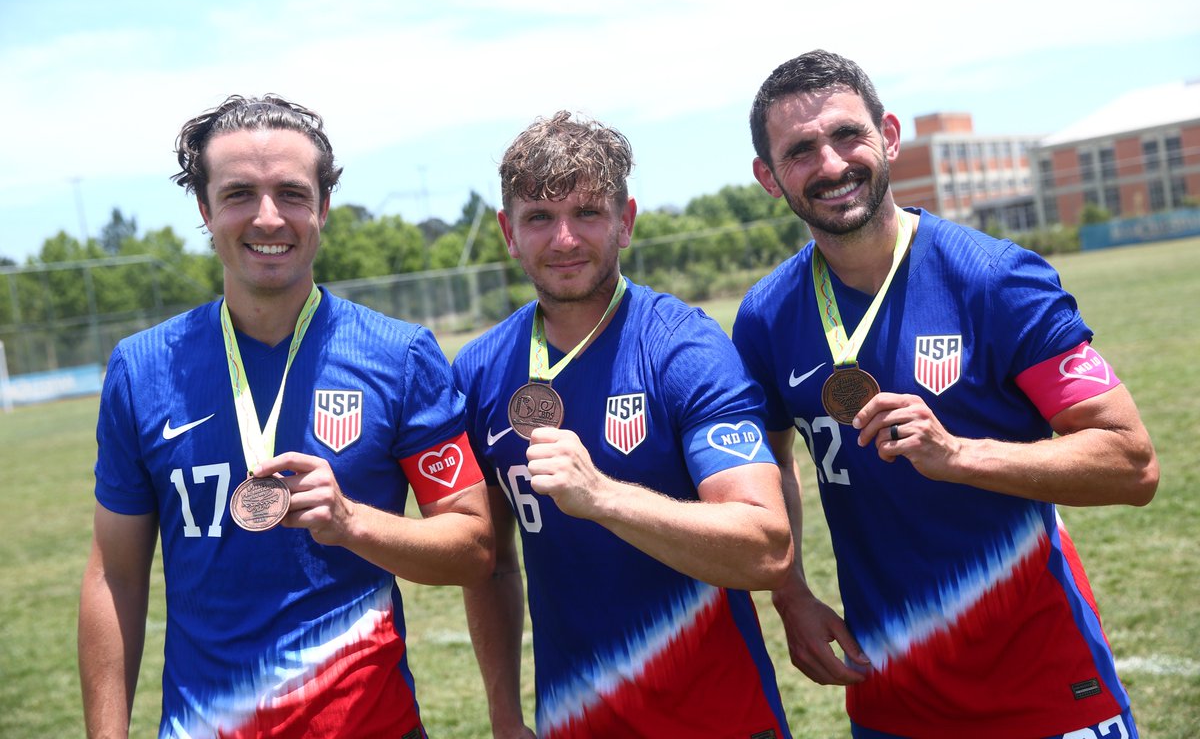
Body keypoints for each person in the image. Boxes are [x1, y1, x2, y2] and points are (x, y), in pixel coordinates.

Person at [733, 49, 1160, 739]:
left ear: (889, 136)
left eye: (848, 134)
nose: (833, 164)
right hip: (894, 704)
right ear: (768, 177)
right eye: (802, 149)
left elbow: (1132, 463)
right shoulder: (766, 317)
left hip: (1046, 691)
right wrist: (789, 593)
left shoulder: (995, 279)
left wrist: (960, 454)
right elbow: (766, 463)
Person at [77, 94, 494, 738]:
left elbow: (473, 547)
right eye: (240, 192)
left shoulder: (400, 356)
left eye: (292, 194)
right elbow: (115, 573)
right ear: (204, 209)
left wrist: (353, 523)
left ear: (322, 208)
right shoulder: (141, 369)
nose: (268, 218)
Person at [452, 110, 794, 738]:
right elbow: (493, 564)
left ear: (626, 221)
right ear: (507, 231)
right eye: (538, 217)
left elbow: (766, 546)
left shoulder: (684, 349)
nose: (564, 239)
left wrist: (603, 497)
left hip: (721, 719)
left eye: (587, 212)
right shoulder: (478, 371)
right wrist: (504, 716)